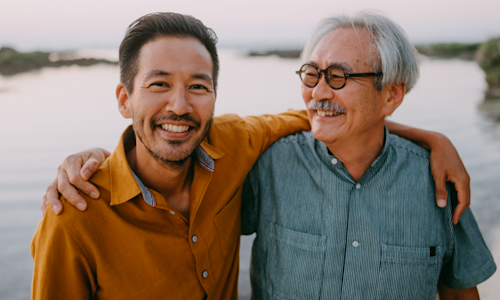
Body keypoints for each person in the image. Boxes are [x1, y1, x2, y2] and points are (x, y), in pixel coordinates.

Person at [38, 11, 472, 300]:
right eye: (157, 84)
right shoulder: (74, 210)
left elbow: (322, 117)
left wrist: (430, 139)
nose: (178, 106)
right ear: (123, 99)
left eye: (198, 86)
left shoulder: (234, 143)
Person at [241, 12, 496, 300]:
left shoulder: (438, 182)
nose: (318, 91)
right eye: (312, 74)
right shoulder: (268, 166)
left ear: (391, 95)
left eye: (338, 76)